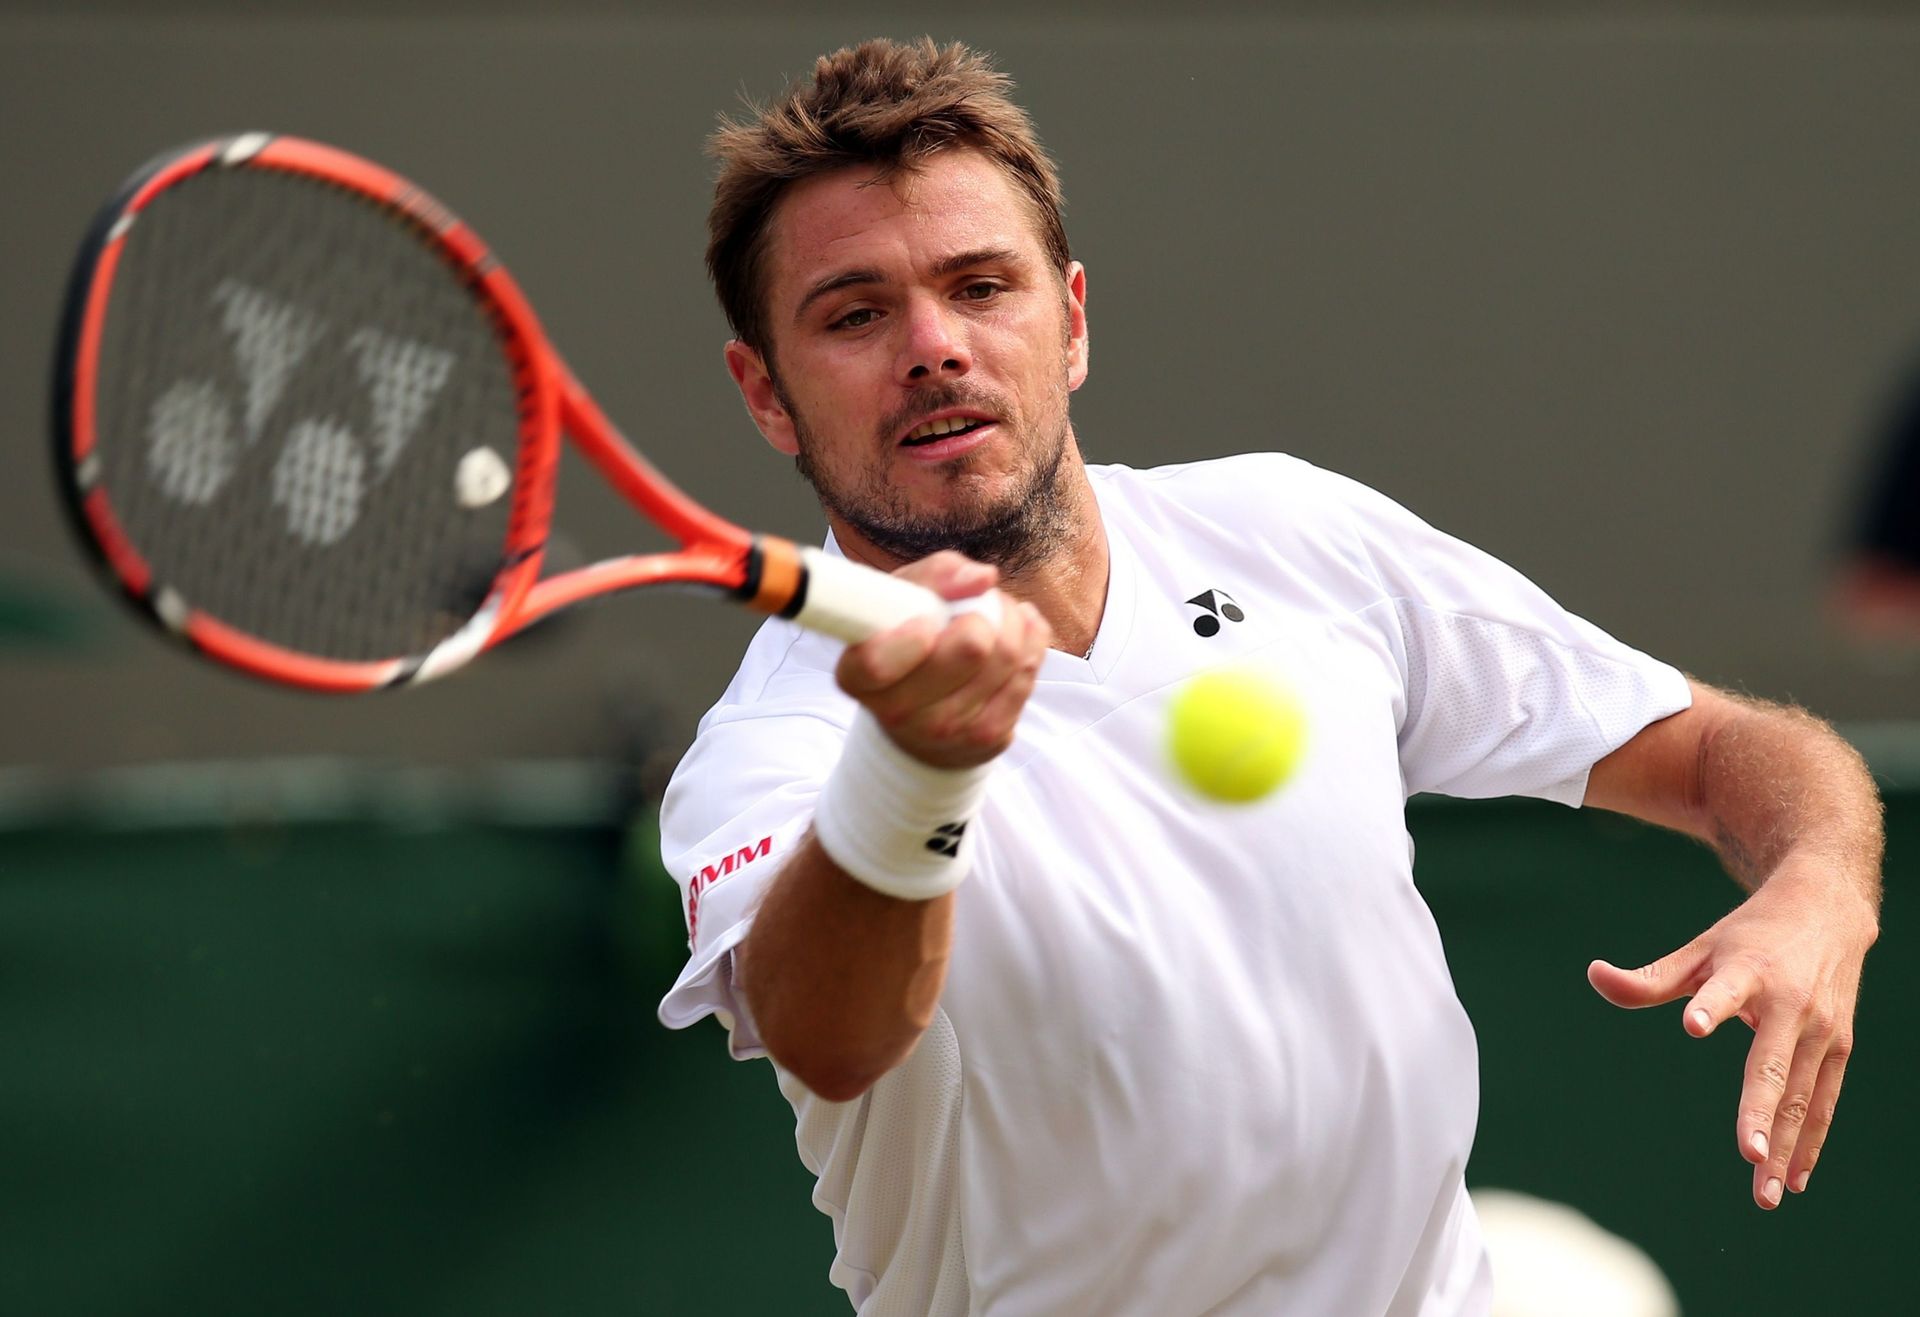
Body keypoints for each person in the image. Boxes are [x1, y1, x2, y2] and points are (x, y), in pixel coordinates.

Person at [656, 38, 1883, 1315]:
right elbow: (829, 1036)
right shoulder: (777, 744)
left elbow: (1728, 751)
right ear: (766, 395)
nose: (932, 347)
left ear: (1070, 320)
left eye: (981, 287)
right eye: (855, 315)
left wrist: (1818, 881)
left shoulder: (1295, 537)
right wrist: (913, 769)